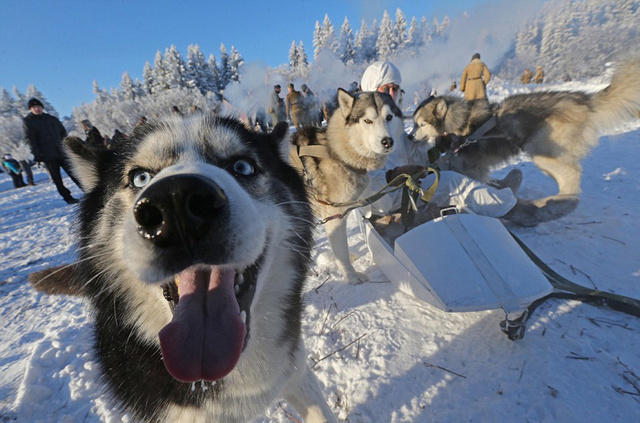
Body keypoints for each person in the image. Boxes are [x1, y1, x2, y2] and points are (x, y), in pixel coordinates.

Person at [360, 61, 529, 226]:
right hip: (387, 198)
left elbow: (410, 155)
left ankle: (494, 190)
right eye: (385, 88)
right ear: (372, 90)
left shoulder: (390, 121)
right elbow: (365, 181)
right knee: (452, 182)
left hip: (402, 186)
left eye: (394, 88)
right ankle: (518, 210)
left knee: (451, 162)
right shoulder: (364, 126)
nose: (391, 93)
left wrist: (437, 145)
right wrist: (395, 176)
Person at [23, 98, 82, 204]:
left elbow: (63, 133)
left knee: (75, 173)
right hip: (47, 155)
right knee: (57, 179)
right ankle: (67, 197)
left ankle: (88, 191)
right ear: (31, 109)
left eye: (39, 107)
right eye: (34, 107)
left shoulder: (51, 119)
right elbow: (31, 140)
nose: (37, 109)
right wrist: (37, 154)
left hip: (61, 152)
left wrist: (67, 147)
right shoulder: (29, 122)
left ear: (42, 107)